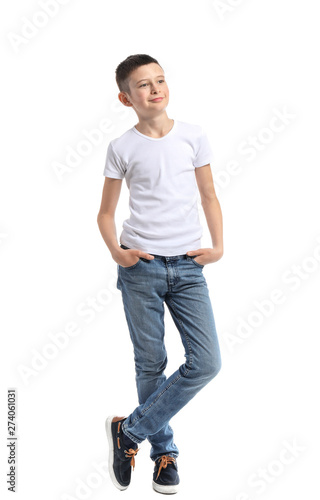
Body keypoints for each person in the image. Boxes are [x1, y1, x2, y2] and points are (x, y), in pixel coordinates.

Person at [97, 54, 223, 495]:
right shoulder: (122, 147)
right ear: (125, 97)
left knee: (206, 362)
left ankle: (127, 431)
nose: (155, 89)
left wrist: (218, 245)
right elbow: (106, 213)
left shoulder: (193, 136)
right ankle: (163, 452)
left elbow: (209, 195)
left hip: (188, 267)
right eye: (143, 85)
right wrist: (119, 252)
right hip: (141, 268)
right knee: (151, 364)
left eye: (160, 80)